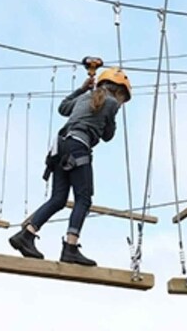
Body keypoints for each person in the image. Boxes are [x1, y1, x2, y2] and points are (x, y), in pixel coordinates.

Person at [9, 67, 132, 267]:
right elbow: (108, 136)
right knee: (83, 199)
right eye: (122, 98)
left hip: (60, 147)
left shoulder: (84, 98)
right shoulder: (110, 103)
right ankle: (70, 248)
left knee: (58, 199)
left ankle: (27, 235)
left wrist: (82, 89)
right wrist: (112, 116)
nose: (121, 102)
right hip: (78, 147)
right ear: (118, 92)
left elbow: (63, 108)